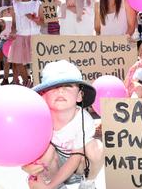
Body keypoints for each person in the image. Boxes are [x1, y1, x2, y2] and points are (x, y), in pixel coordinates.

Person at [23, 60, 104, 188]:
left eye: (68, 86)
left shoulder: (84, 120)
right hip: (53, 165)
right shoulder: (40, 118)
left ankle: (88, 182)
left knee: (97, 148)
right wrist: (26, 166)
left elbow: (75, 158)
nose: (60, 91)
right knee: (46, 150)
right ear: (43, 96)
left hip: (79, 165)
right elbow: (24, 146)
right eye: (54, 87)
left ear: (79, 96)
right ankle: (57, 185)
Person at [8, 0, 43, 87]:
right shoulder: (15, 4)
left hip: (34, 36)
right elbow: (13, 23)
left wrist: (35, 19)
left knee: (36, 61)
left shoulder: (38, 4)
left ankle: (36, 81)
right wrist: (12, 32)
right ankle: (26, 81)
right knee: (18, 62)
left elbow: (43, 22)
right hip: (20, 36)